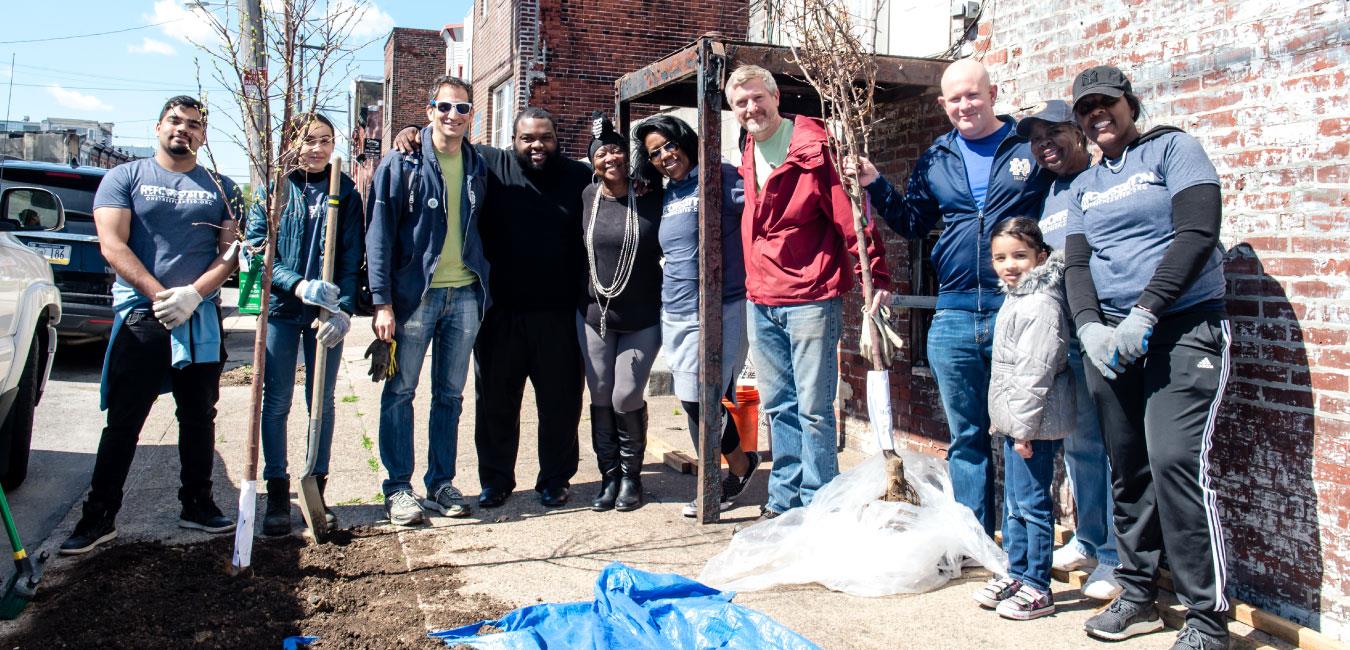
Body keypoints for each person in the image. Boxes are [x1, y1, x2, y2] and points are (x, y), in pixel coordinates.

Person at [846, 59, 1052, 535]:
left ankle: (1023, 544)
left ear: (993, 94)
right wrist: (875, 183)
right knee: (967, 436)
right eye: (955, 99)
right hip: (955, 310)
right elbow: (914, 223)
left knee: (1022, 432)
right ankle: (975, 537)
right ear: (943, 105)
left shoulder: (1027, 147)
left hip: (1017, 309)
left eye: (973, 95)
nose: (965, 105)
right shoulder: (936, 158)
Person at [1065, 66, 1231, 650]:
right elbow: (1077, 265)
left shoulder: (1173, 149)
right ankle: (1138, 595)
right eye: (1086, 108)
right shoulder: (1086, 185)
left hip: (1182, 328)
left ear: (1130, 104)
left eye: (1106, 102)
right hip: (1109, 342)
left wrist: (1147, 311)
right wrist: (1089, 328)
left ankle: (1207, 620)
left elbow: (1197, 231)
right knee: (1128, 465)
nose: (1097, 114)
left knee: (1173, 461)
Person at [61, 95, 241, 555]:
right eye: (175, 122)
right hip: (144, 316)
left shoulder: (221, 187)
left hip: (198, 318)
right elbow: (112, 244)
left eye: (194, 125)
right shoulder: (125, 177)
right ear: (158, 126)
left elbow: (229, 252)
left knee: (199, 416)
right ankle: (98, 517)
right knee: (124, 421)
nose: (183, 130)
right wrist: (161, 295)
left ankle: (198, 503)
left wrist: (194, 295)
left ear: (204, 134)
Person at [726, 65, 890, 520]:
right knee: (779, 406)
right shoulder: (748, 147)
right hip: (761, 298)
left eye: (757, 98)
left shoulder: (816, 150)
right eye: (740, 103)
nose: (751, 109)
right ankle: (784, 502)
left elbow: (851, 217)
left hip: (811, 297)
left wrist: (873, 274)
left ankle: (820, 503)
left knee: (815, 408)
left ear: (776, 96)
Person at [367, 75, 490, 527]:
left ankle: (441, 482)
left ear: (472, 115)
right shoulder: (400, 164)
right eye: (444, 107)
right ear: (428, 110)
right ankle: (399, 487)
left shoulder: (477, 164)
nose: (452, 116)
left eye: (461, 109)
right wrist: (381, 302)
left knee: (451, 396)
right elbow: (378, 236)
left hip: (464, 296)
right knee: (400, 392)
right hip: (413, 298)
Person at [1016, 100, 1122, 600]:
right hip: (1066, 339)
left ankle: (1117, 558)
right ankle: (1089, 538)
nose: (1046, 145)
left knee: (1114, 446)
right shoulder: (1049, 191)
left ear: (1078, 132)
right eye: (1037, 138)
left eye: (1055, 133)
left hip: (1101, 331)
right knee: (1081, 448)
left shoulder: (1101, 183)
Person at [633, 114, 760, 518]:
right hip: (676, 306)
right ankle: (735, 467)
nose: (666, 155)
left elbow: (761, 204)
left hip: (721, 304)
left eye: (670, 145)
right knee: (692, 399)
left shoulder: (720, 177)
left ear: (686, 141)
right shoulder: (666, 192)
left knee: (702, 399)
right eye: (655, 152)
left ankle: (723, 478)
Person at [244, 112, 364, 536]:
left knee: (323, 402)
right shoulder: (276, 189)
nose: (316, 148)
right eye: (308, 140)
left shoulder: (344, 191)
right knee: (277, 402)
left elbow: (350, 258)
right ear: (291, 144)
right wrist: (296, 285)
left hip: (324, 312)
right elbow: (259, 249)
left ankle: (317, 485)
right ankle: (277, 493)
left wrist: (343, 309)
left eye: (325, 140)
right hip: (282, 309)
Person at [973, 217, 1074, 621]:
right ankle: (1016, 574)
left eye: (1019, 256)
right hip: (1017, 424)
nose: (1009, 265)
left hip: (1033, 425)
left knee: (1032, 504)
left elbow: (1034, 374)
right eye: (1000, 257)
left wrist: (1024, 430)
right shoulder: (1016, 298)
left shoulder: (1041, 305)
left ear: (1041, 257)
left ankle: (1037, 584)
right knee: (1014, 502)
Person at [577, 112, 663, 512]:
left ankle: (632, 478)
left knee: (625, 395)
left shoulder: (650, 194)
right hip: (596, 316)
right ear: (592, 162)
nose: (609, 158)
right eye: (601, 153)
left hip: (641, 316)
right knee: (598, 393)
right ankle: (609, 477)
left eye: (616, 151)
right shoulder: (587, 197)